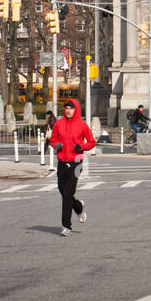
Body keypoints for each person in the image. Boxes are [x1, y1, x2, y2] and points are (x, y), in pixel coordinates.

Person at [50, 98, 95, 236]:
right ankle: (78, 206)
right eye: (66, 108)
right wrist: (56, 145)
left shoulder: (82, 125)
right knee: (62, 189)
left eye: (71, 108)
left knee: (68, 193)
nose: (68, 111)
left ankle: (66, 226)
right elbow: (52, 139)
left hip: (76, 162)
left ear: (76, 110)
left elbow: (92, 142)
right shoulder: (59, 124)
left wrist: (81, 146)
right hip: (62, 161)